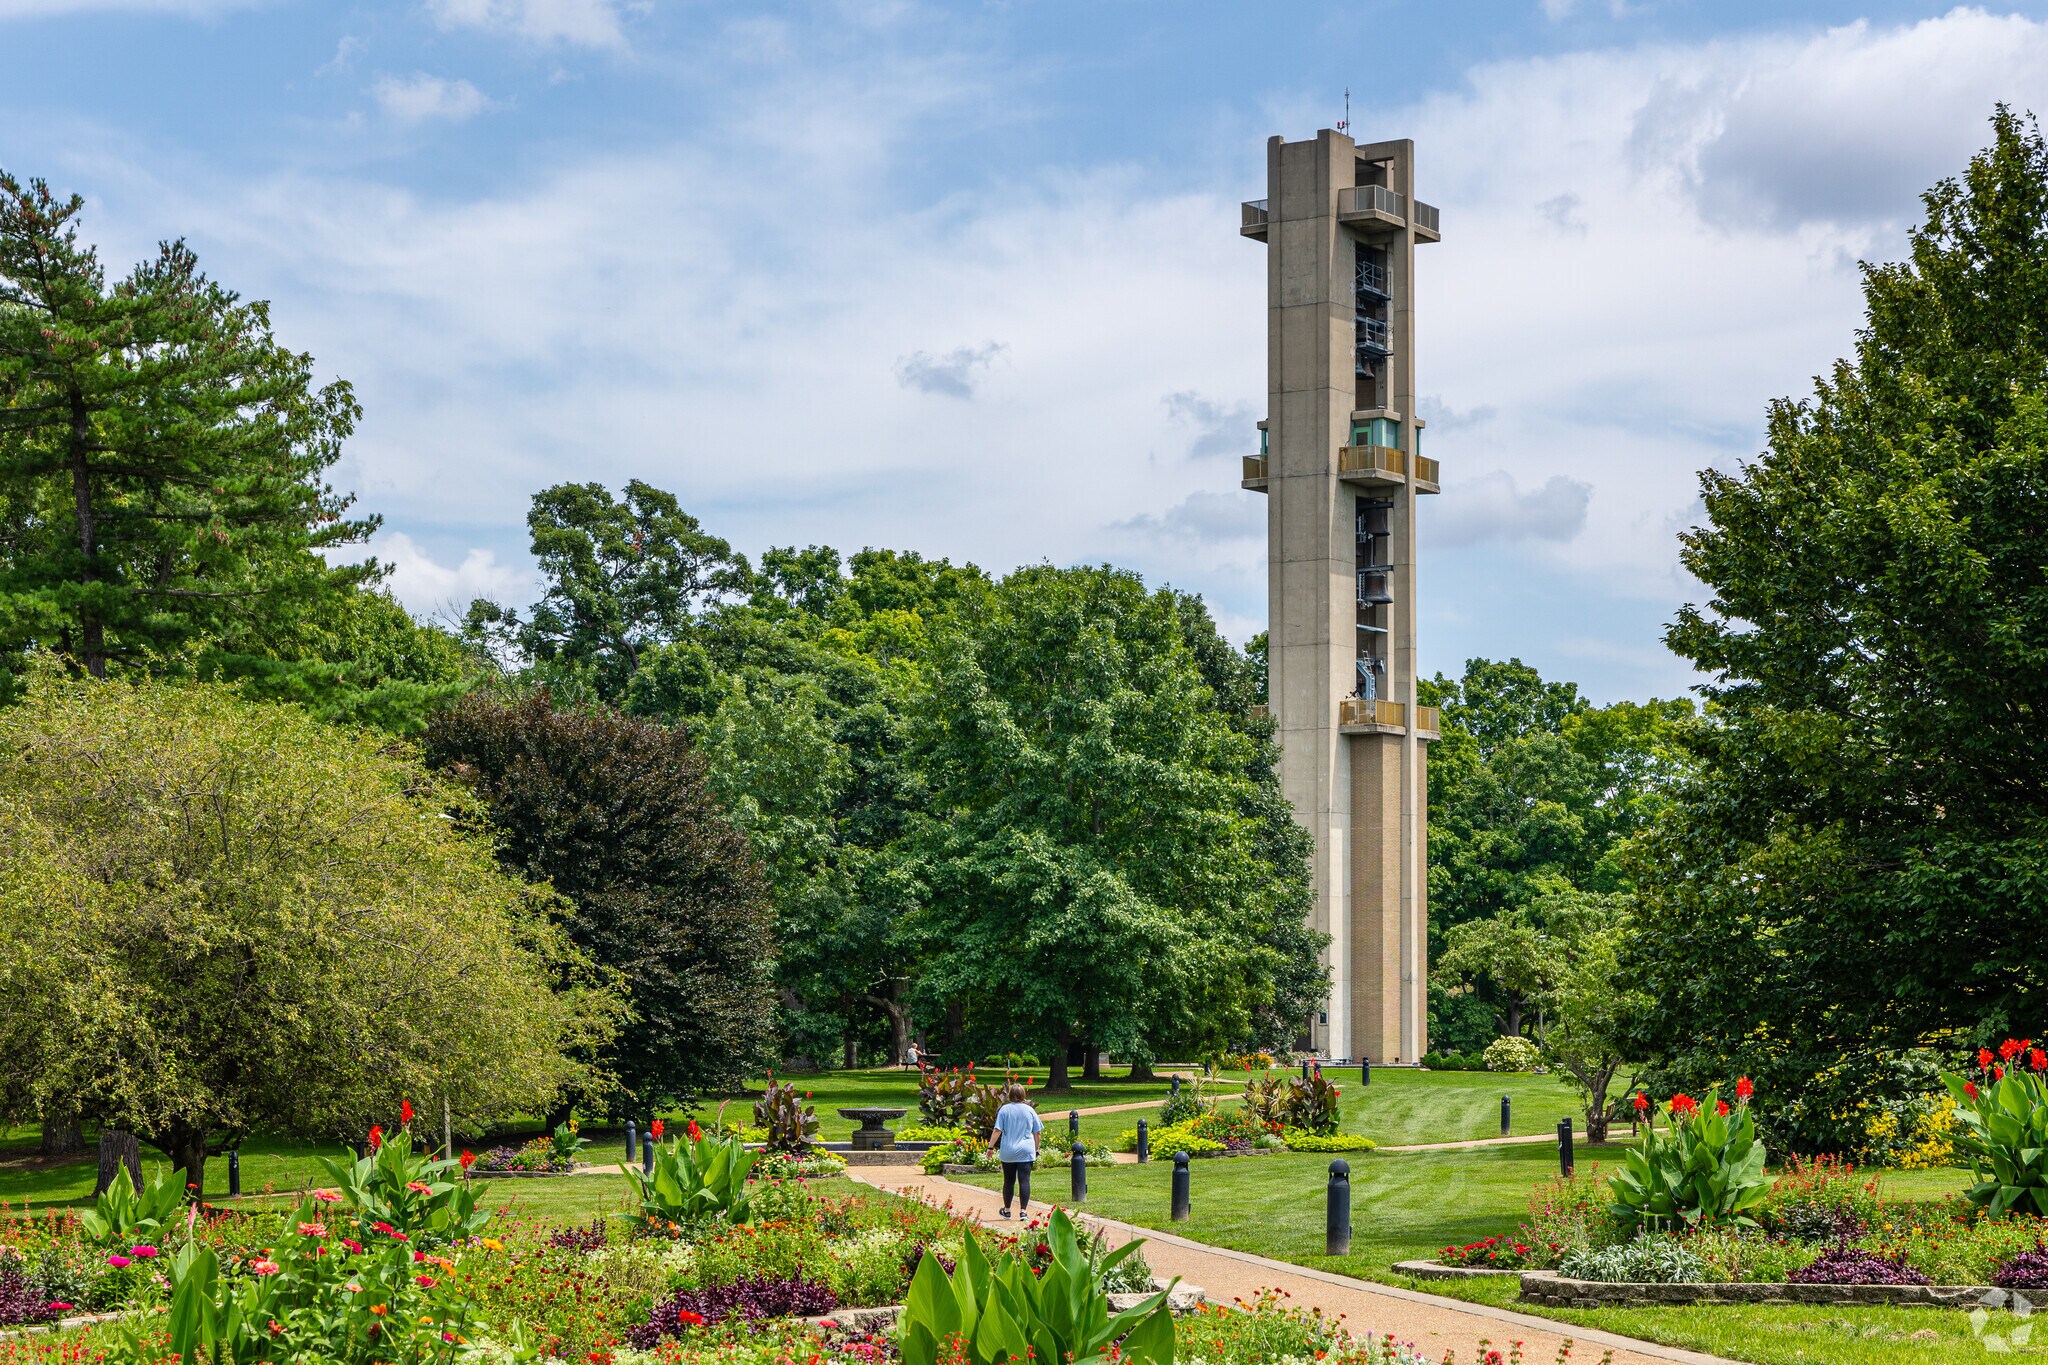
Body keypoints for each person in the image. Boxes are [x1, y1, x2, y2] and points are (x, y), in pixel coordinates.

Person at [988, 1082, 1043, 1218]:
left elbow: (997, 1130)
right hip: (1026, 1150)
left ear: (1010, 1095)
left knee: (1009, 1181)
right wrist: (1035, 1149)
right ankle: (1023, 1211)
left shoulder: (1004, 1110)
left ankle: (1007, 1210)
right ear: (1023, 1095)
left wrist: (990, 1147)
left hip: (1008, 1150)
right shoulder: (1030, 1110)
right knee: (1024, 1180)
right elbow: (1037, 1132)